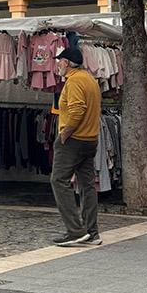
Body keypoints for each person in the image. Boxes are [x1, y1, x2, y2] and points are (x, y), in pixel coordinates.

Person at [51, 46, 102, 247]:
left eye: (59, 61)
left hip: (74, 140)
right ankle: (92, 232)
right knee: (87, 185)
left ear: (66, 63)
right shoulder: (90, 79)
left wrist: (64, 134)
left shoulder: (73, 82)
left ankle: (75, 231)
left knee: (58, 180)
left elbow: (77, 110)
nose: (57, 65)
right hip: (90, 139)